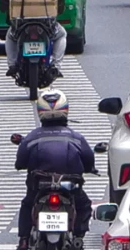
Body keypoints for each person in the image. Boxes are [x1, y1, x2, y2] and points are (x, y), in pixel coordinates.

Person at [15, 89, 95, 250]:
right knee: (84, 205)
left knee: (27, 204)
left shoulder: (32, 137)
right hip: (69, 186)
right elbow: (89, 162)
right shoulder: (76, 138)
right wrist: (90, 169)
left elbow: (20, 162)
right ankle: (78, 238)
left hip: (39, 186)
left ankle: (23, 240)